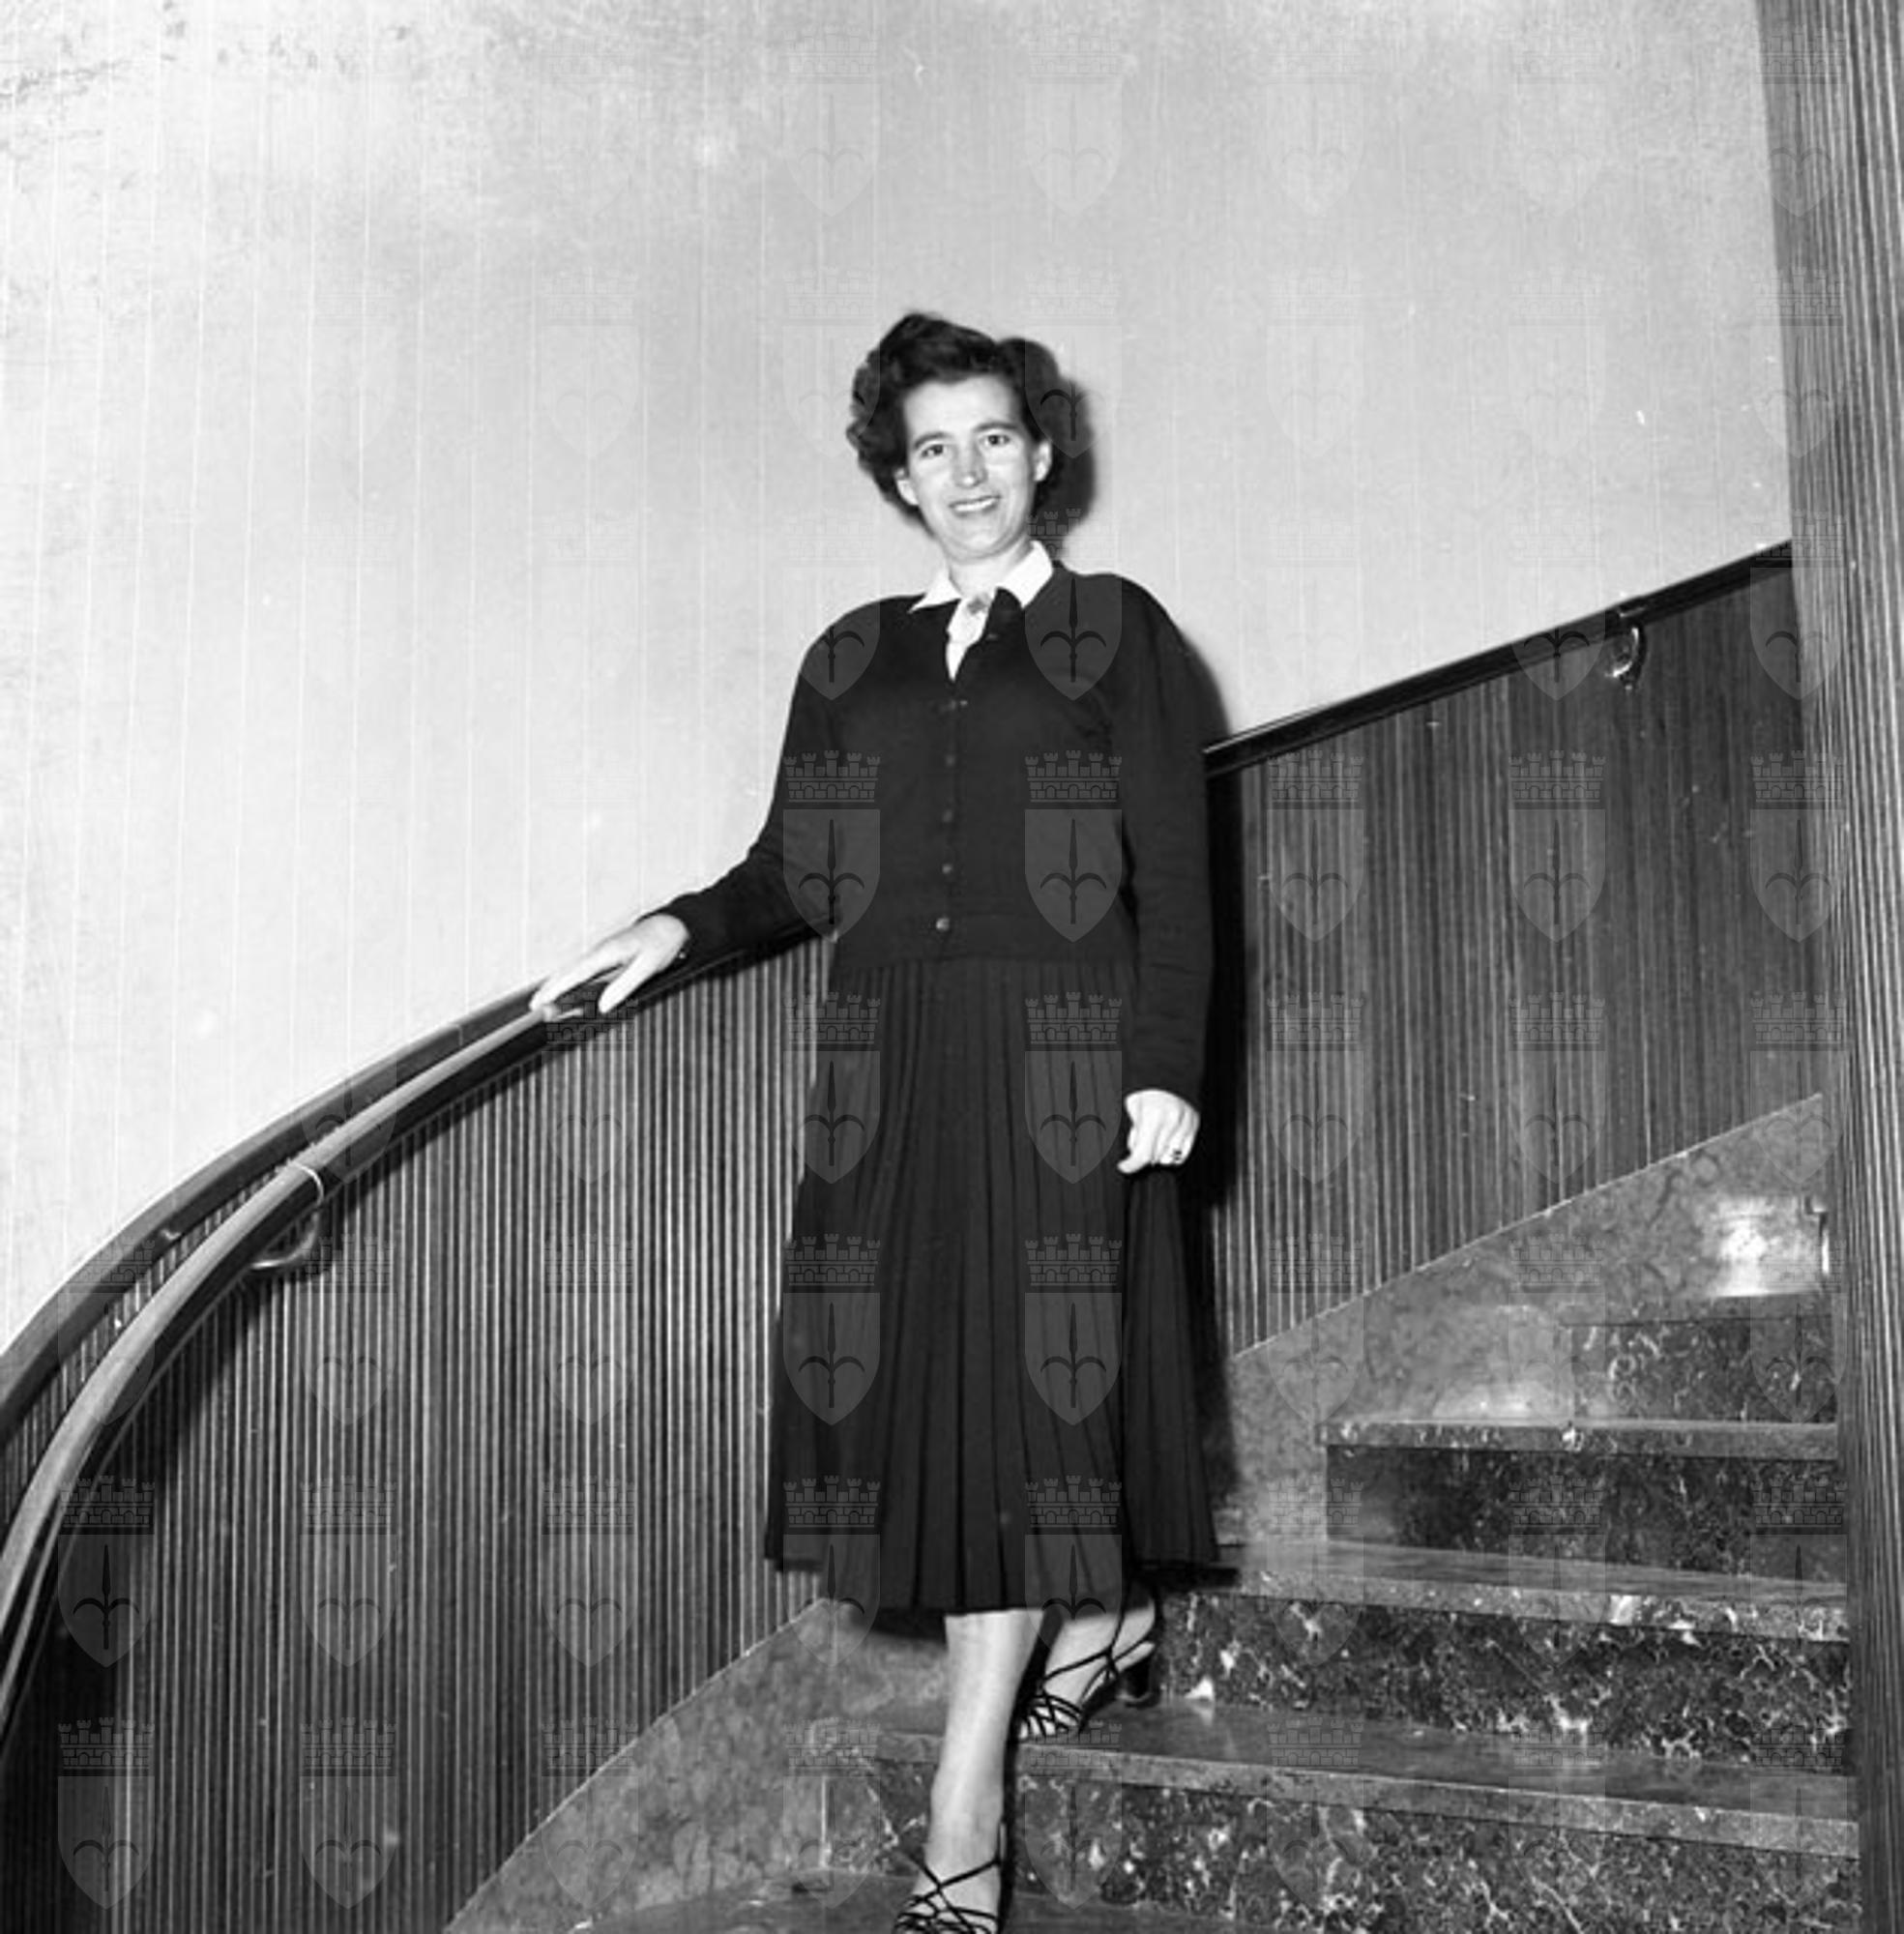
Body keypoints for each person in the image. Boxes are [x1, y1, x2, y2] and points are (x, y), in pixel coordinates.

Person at [531, 311, 1217, 1933]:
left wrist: (1165, 1063)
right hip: (893, 1066)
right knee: (950, 1402)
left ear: (1042, 452)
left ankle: (966, 1808)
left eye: (994, 438)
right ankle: (1101, 1622)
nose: (967, 474)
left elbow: (1178, 875)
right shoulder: (852, 655)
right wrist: (677, 926)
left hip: (1066, 1054)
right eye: (931, 449)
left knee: (1030, 1410)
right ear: (897, 479)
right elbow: (801, 869)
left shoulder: (1117, 628)